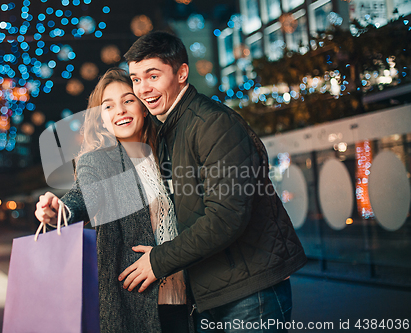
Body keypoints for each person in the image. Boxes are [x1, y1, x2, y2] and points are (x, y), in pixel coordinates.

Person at [118, 31, 308, 332]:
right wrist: (62, 206)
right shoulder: (169, 128)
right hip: (215, 291)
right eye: (136, 79)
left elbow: (226, 216)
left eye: (152, 76)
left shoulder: (212, 124)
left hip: (249, 293)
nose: (143, 89)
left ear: (182, 73)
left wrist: (158, 261)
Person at [35, 68, 192, 333]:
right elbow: (84, 195)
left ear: (143, 107)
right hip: (136, 300)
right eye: (108, 106)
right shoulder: (97, 161)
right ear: (101, 120)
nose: (120, 110)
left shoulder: (167, 153)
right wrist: (59, 210)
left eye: (128, 100)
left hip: (184, 296)